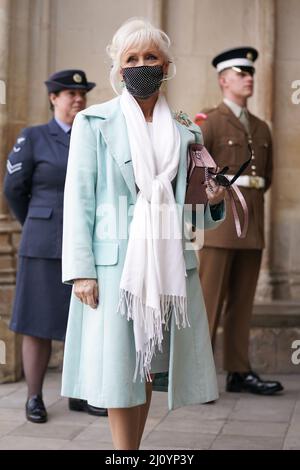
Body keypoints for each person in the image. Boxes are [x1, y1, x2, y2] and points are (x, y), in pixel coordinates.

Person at [61, 17, 226, 450]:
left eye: (149, 56)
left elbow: (193, 216)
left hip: (169, 263)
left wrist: (212, 200)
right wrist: (81, 271)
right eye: (130, 58)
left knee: (149, 362)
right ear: (117, 68)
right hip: (114, 266)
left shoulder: (186, 129)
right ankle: (124, 454)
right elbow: (78, 200)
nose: (140, 65)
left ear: (167, 65)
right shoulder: (94, 122)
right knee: (120, 369)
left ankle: (132, 451)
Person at [4, 69, 108, 423]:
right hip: (43, 243)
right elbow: (14, 188)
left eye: (82, 94)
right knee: (37, 322)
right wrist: (38, 219)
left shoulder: (94, 135)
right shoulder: (33, 137)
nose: (77, 99)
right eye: (69, 94)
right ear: (53, 98)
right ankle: (34, 397)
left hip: (88, 243)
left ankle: (80, 394)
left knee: (82, 320)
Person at [198, 47, 284, 395]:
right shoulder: (209, 121)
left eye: (251, 73)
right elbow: (194, 172)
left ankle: (238, 370)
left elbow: (268, 177)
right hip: (220, 227)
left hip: (252, 227)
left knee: (243, 302)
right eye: (241, 73)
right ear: (223, 80)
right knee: (208, 300)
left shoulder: (262, 127)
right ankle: (197, 375)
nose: (249, 78)